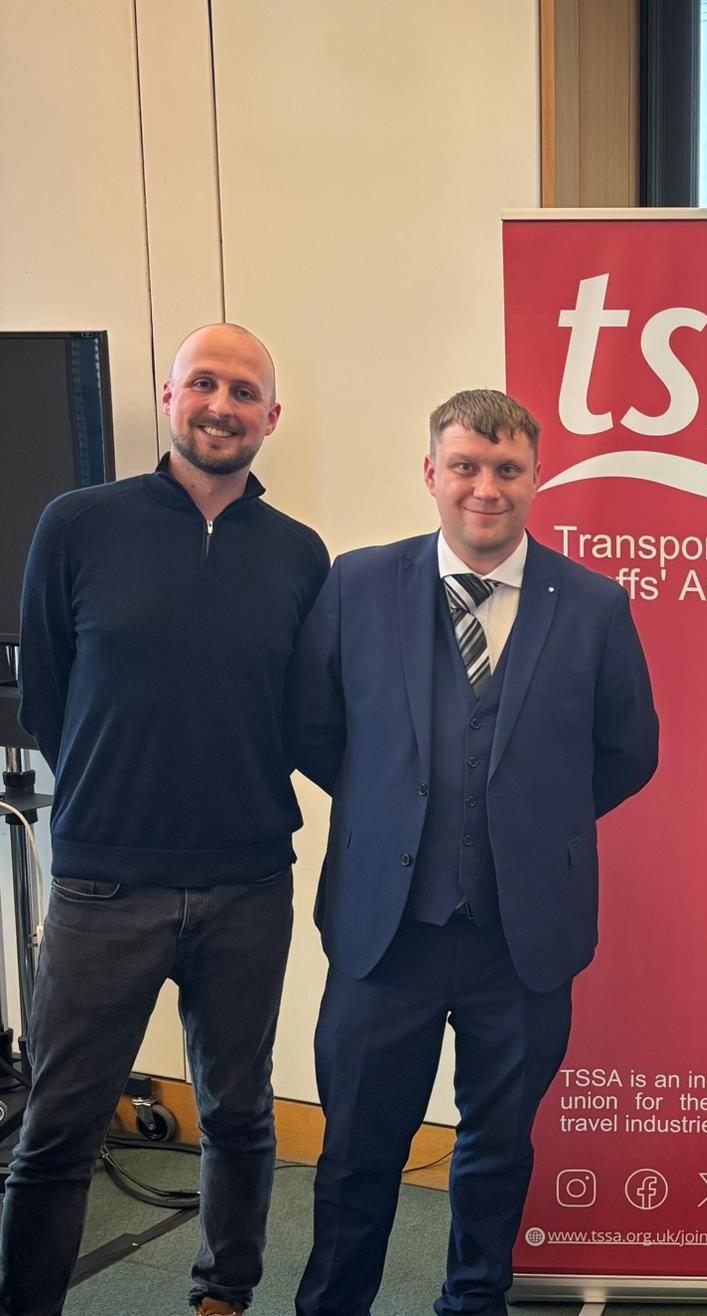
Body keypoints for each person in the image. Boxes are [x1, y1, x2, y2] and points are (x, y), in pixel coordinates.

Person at [288, 388, 658, 1316]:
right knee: (357, 1153)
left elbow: (629, 752)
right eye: (465, 466)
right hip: (385, 934)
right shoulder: (358, 583)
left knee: (498, 1152)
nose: (485, 487)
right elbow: (312, 727)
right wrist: (392, 814)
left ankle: (474, 1303)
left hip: (521, 941)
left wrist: (533, 823)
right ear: (431, 474)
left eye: (507, 469)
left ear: (537, 480)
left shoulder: (594, 606)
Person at [4, 324, 329, 1316]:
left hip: (246, 884)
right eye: (204, 383)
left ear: (271, 417)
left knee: (238, 1114)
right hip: (104, 884)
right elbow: (48, 695)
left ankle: (222, 1294)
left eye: (243, 390)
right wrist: (115, 796)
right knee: (57, 1129)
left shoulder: (298, 554)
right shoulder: (77, 522)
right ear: (168, 395)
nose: (221, 404)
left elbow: (304, 713)